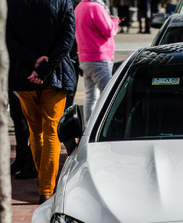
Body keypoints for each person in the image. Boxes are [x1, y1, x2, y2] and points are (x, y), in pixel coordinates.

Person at [7, 0, 77, 204]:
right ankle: (46, 189)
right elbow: (67, 40)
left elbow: (8, 39)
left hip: (24, 75)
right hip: (56, 75)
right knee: (52, 131)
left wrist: (33, 62)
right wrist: (44, 67)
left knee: (35, 131)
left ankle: (44, 185)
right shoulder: (64, 2)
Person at [75, 0, 121, 125]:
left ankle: (88, 125)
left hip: (85, 57)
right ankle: (111, 125)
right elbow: (109, 31)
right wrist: (115, 21)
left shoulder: (80, 6)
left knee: (91, 97)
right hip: (99, 57)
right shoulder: (95, 7)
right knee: (110, 95)